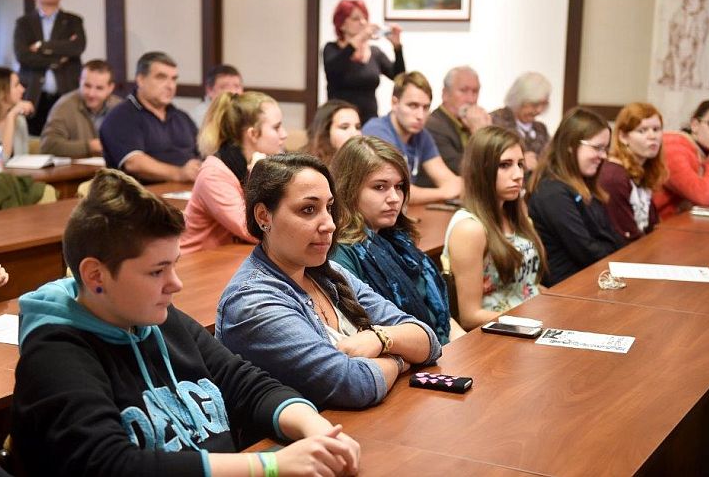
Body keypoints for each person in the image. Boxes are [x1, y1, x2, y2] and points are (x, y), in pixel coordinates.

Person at [12, 168, 360, 477]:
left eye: (174, 265)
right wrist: (269, 466)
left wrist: (316, 429)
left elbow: (244, 383)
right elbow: (112, 464)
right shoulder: (55, 357)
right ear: (95, 275)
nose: (175, 284)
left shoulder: (160, 320)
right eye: (157, 271)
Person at [217, 154, 441, 409]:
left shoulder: (329, 273)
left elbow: (427, 339)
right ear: (263, 216)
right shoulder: (251, 303)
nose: (330, 225)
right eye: (308, 210)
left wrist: (380, 339)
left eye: (330, 208)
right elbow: (353, 384)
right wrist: (399, 359)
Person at [330, 136, 464, 344]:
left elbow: (440, 315)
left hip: (439, 347)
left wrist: (465, 346)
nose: (394, 198)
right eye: (379, 187)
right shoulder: (340, 252)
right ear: (349, 189)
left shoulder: (397, 238)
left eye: (399, 186)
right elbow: (363, 332)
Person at [442, 127, 546, 330]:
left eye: (520, 164)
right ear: (481, 170)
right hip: (502, 332)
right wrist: (534, 321)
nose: (518, 175)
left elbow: (527, 286)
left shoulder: (514, 213)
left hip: (531, 319)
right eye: (505, 165)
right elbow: (470, 316)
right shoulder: (469, 228)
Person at [527, 107, 624, 287]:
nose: (603, 156)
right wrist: (618, 255)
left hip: (592, 278)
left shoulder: (584, 184)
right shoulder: (552, 193)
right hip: (568, 288)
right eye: (597, 148)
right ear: (570, 145)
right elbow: (586, 251)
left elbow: (609, 235)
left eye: (605, 149)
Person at [180, 92, 286, 254]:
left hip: (230, 256)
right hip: (195, 261)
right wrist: (259, 179)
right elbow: (253, 231)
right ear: (253, 134)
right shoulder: (213, 174)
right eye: (276, 128)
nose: (284, 134)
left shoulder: (257, 164)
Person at [362, 71, 463, 205]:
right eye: (413, 106)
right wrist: (443, 193)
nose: (420, 115)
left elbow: (448, 180)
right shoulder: (377, 131)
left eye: (425, 107)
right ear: (394, 103)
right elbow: (395, 190)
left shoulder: (422, 135)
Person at [100, 51, 201, 183]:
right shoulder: (120, 116)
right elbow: (134, 163)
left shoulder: (181, 117)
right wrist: (179, 173)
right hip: (143, 193)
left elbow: (203, 152)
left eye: (174, 79)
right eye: (161, 78)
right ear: (141, 80)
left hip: (188, 189)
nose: (170, 86)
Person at [13, 0, 85, 136]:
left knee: (67, 139)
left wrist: (41, 46)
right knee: (32, 142)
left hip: (65, 93)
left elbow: (77, 47)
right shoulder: (23, 23)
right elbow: (23, 55)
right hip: (34, 96)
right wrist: (58, 58)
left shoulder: (74, 21)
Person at [323, 0, 404, 124]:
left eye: (365, 18)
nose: (363, 22)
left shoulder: (375, 52)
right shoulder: (332, 49)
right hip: (340, 121)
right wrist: (360, 37)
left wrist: (397, 47)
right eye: (356, 19)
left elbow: (399, 77)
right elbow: (334, 71)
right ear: (342, 24)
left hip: (369, 122)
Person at [653, 100, 709, 218]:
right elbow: (701, 196)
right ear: (695, 125)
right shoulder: (672, 147)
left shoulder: (708, 151)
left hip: (684, 221)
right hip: (656, 224)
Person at [599, 102, 667, 241]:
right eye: (642, 131)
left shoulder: (642, 171)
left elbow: (651, 226)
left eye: (656, 129)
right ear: (623, 137)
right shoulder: (614, 177)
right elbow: (625, 235)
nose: (652, 136)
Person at [40, 59, 122, 157]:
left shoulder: (120, 108)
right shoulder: (64, 106)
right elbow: (48, 146)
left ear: (110, 88)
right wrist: (89, 146)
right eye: (87, 86)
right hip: (75, 166)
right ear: (80, 81)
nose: (91, 94)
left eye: (99, 88)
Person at [423, 66, 491, 180]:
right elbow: (464, 171)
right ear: (445, 94)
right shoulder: (432, 126)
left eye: (475, 92)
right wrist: (480, 135)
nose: (471, 99)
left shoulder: (475, 121)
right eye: (463, 90)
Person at [490, 72, 552, 171]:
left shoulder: (541, 129)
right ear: (518, 99)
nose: (539, 110)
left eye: (544, 104)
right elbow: (487, 159)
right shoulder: (494, 122)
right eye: (534, 104)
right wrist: (519, 161)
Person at [302, 100, 361, 166]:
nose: (355, 134)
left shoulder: (364, 162)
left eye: (357, 127)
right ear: (326, 132)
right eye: (344, 127)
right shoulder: (308, 166)